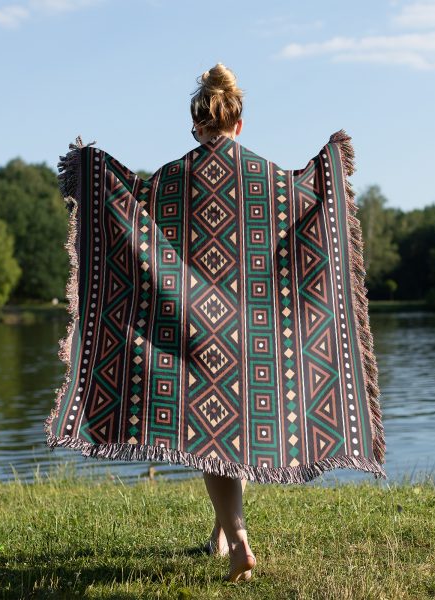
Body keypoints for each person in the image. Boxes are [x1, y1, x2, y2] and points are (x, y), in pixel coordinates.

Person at [190, 62, 255, 583]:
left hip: (198, 324)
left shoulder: (179, 178)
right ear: (238, 123)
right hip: (250, 325)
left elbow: (134, 217)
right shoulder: (264, 178)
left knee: (208, 434)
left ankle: (238, 542)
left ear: (198, 126)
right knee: (234, 429)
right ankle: (218, 534)